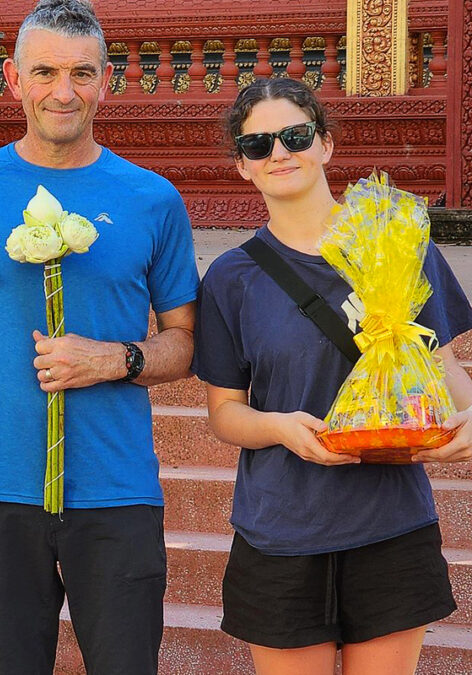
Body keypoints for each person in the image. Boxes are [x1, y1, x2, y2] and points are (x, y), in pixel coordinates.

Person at [0, 1, 199, 672]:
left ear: (106, 80)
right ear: (12, 78)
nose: (63, 92)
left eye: (81, 73)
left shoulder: (151, 198)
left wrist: (116, 358)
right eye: (44, 72)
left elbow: (185, 341)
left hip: (114, 492)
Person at [193, 77, 472, 675]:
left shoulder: (396, 244)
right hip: (281, 531)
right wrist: (278, 428)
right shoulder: (230, 279)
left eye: (294, 135)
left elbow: (443, 367)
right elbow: (225, 413)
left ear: (325, 144)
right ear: (242, 167)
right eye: (258, 145)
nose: (279, 153)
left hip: (389, 524)